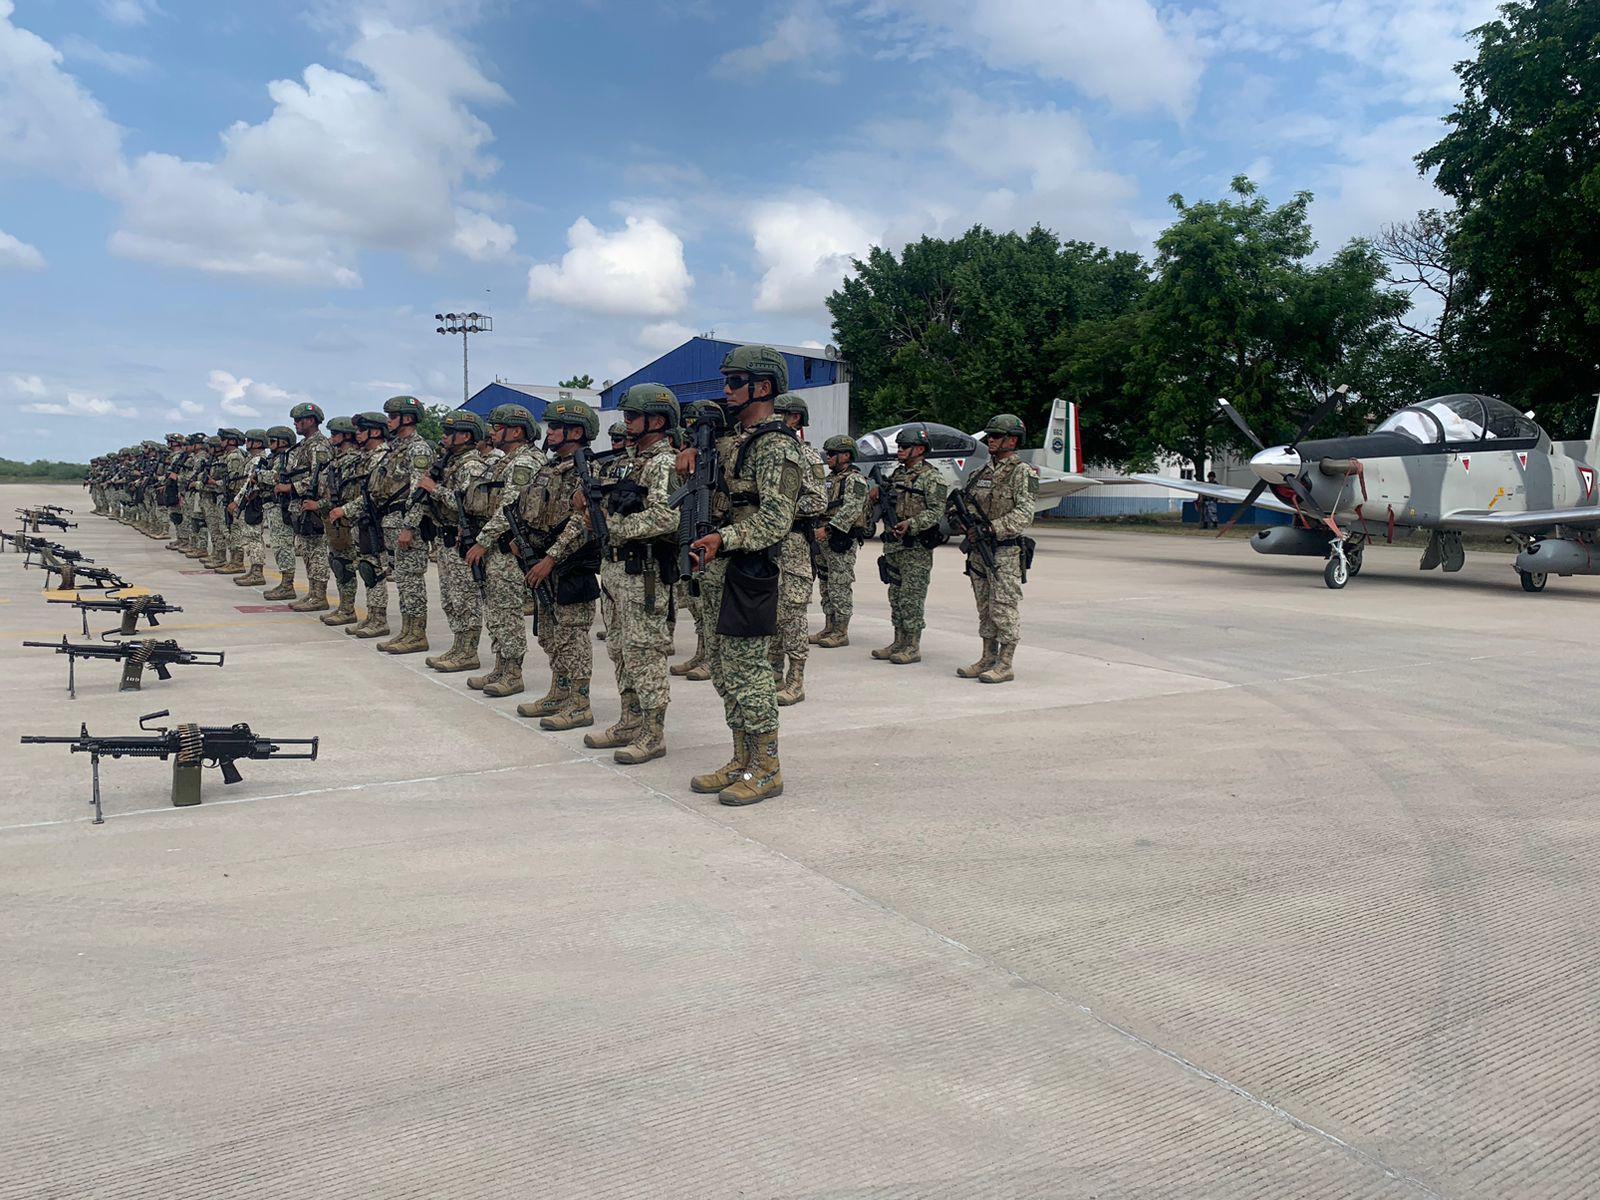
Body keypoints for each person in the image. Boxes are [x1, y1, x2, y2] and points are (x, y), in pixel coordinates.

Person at [687, 345, 803, 806]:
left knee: (750, 672)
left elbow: (776, 518)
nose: (727, 390)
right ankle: (741, 758)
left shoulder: (776, 446)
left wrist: (724, 540)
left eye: (735, 382)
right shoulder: (731, 441)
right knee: (723, 670)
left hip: (748, 569)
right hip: (718, 571)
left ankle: (768, 767)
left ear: (763, 386)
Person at [584, 384, 680, 764]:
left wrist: (614, 527)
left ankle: (653, 733)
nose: (625, 422)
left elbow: (667, 516)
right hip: (615, 570)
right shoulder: (628, 460)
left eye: (631, 416)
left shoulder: (665, 463)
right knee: (620, 649)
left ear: (655, 421)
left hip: (645, 572)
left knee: (645, 652)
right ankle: (630, 720)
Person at [514, 398, 603, 729]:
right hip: (543, 561)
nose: (548, 432)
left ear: (576, 431)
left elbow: (582, 521)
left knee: (573, 637)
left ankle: (580, 702)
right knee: (550, 634)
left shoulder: (586, 470)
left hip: (570, 564)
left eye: (555, 427)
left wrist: (551, 559)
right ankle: (559, 691)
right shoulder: (549, 468)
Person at [462, 404, 544, 697]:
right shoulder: (505, 461)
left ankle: (513, 672)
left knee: (506, 610)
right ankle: (499, 665)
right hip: (495, 549)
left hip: (507, 549)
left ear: (517, 431)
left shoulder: (525, 462)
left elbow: (509, 507)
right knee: (495, 610)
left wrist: (482, 541)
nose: (493, 432)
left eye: (498, 427)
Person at [951, 413, 1037, 684]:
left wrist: (990, 528)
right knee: (984, 607)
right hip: (978, 550)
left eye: (997, 436)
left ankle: (1006, 663)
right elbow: (961, 502)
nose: (991, 439)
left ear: (1012, 440)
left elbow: (1024, 514)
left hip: (1005, 552)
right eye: (990, 435)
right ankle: (987, 658)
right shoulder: (979, 473)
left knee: (1003, 608)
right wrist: (957, 519)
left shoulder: (1022, 472)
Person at [418, 411, 495, 672]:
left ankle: (468, 651)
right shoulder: (451, 462)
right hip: (445, 539)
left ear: (466, 436)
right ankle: (458, 645)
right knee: (450, 598)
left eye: (451, 432)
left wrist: (434, 489)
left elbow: (469, 505)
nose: (444, 437)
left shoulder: (472, 466)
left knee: (465, 598)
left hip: (461, 539)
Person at [873, 425, 949, 665]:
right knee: (895, 594)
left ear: (919, 449)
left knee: (912, 597)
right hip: (894, 545)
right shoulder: (897, 475)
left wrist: (912, 524)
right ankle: (898, 641)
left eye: (905, 447)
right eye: (900, 446)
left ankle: (912, 645)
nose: (900, 450)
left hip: (915, 546)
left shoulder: (932, 477)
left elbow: (937, 511)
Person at [769, 393, 827, 705]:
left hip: (793, 546)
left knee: (792, 614)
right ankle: (773, 674)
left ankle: (796, 680)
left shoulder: (807, 456)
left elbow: (818, 499)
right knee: (770, 614)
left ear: (794, 419)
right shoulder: (766, 453)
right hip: (767, 546)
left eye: (779, 414)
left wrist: (780, 508)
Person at [669, 401, 732, 682]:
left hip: (718, 538)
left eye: (697, 425)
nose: (691, 431)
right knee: (698, 604)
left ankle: (711, 657)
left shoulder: (728, 453)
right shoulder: (692, 455)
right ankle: (702, 651)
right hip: (693, 530)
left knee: (713, 606)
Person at [370, 395, 436, 651]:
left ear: (406, 418)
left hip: (408, 525)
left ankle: (417, 634)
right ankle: (407, 630)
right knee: (404, 581)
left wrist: (409, 527)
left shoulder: (417, 449)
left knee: (412, 581)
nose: (388, 421)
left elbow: (420, 492)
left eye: (392, 416)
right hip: (393, 522)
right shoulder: (397, 448)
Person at [330, 413, 393, 639]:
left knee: (373, 570)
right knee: (366, 568)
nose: (357, 434)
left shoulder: (383, 457)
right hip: (361, 521)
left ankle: (379, 619)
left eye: (361, 430)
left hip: (374, 520)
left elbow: (374, 495)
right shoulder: (365, 457)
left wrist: (345, 510)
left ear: (375, 432)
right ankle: (372, 616)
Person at [811, 434, 872, 647]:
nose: (828, 457)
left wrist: (828, 529)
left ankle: (841, 631)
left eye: (832, 454)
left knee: (840, 584)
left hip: (839, 538)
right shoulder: (829, 480)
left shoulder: (854, 480)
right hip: (822, 538)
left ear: (846, 456)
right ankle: (829, 625)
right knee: (826, 583)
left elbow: (852, 508)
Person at [279, 402, 333, 610]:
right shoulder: (305, 445)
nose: (295, 424)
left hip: (314, 507)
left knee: (317, 552)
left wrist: (291, 487)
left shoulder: (319, 445)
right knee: (307, 550)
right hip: (301, 506)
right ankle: (312, 593)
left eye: (299, 420)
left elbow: (321, 476)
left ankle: (320, 596)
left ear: (310, 421)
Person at [313, 418, 363, 624]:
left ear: (346, 436)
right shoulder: (337, 460)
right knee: (338, 563)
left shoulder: (352, 460)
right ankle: (344, 606)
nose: (331, 438)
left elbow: (350, 492)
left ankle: (348, 609)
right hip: (335, 517)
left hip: (348, 519)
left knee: (347, 565)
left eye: (335, 434)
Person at [259, 427, 299, 597]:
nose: (269, 445)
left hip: (282, 507)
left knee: (283, 545)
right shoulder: (276, 458)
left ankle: (288, 585)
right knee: (278, 544)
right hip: (273, 506)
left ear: (283, 441)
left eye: (273, 441)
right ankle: (285, 583)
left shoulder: (288, 457)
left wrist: (260, 475)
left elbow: (277, 476)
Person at [229, 430, 271, 587]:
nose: (246, 443)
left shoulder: (258, 461)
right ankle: (254, 570)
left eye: (250, 440)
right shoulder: (251, 459)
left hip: (252, 503)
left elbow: (249, 484)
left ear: (258, 443)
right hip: (247, 502)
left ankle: (257, 572)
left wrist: (237, 501)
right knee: (248, 537)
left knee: (253, 538)